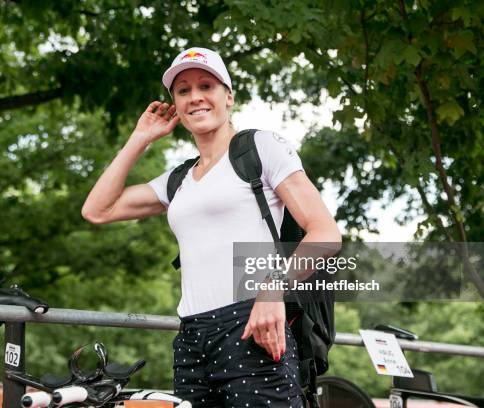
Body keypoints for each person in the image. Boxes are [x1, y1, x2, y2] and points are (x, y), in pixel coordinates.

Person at [82, 47, 341, 407]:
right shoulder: (177, 180)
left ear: (229, 96)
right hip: (191, 336)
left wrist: (272, 292)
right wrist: (139, 138)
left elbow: (326, 234)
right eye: (183, 90)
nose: (195, 97)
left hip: (253, 323)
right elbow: (98, 209)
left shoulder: (259, 147)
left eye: (207, 85)